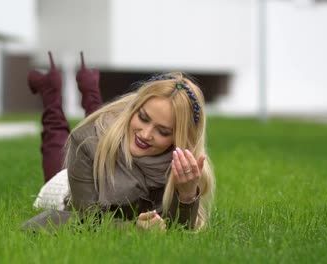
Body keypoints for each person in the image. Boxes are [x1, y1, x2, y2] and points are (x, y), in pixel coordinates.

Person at [23, 51, 215, 231]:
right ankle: (51, 91)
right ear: (134, 109)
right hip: (70, 187)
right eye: (143, 117)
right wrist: (132, 229)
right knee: (61, 138)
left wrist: (187, 195)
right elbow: (87, 220)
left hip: (112, 151)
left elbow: (178, 232)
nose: (146, 134)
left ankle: (89, 85)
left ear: (178, 139)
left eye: (163, 131)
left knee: (107, 133)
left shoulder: (180, 165)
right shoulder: (85, 142)